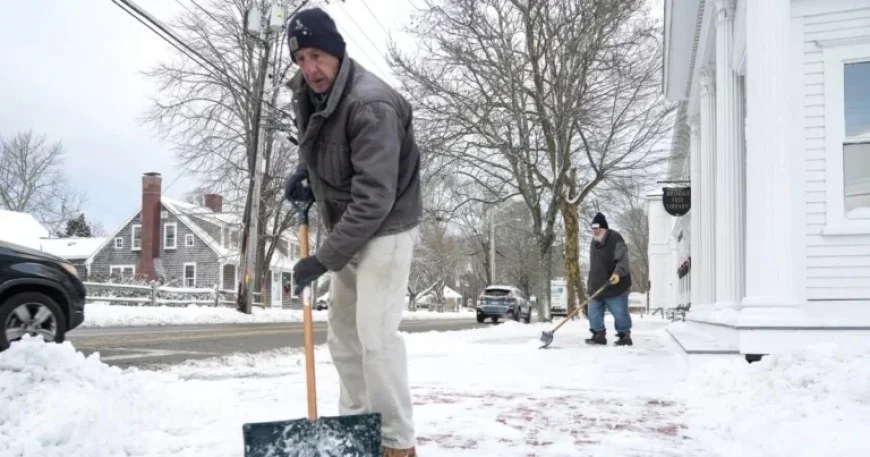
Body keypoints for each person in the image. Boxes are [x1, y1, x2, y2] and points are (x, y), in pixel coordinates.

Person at [282, 7, 422, 457]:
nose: (310, 68)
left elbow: (374, 199)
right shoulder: (306, 92)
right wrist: (306, 170)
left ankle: (395, 442)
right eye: (300, 58)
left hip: (388, 225)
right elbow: (323, 142)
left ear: (337, 51)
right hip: (348, 226)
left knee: (376, 337)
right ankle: (358, 428)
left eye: (317, 55)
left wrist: (322, 259)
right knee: (342, 335)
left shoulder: (371, 105)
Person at [585, 212, 633, 346]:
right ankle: (598, 334)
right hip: (597, 286)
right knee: (593, 312)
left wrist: (617, 273)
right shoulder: (593, 242)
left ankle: (624, 336)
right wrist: (590, 285)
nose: (595, 232)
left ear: (605, 228)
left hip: (616, 286)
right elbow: (594, 266)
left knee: (620, 314)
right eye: (593, 230)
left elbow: (623, 261)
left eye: (598, 229)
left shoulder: (616, 239)